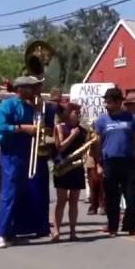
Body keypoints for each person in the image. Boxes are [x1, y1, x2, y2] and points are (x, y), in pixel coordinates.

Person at [0, 76, 52, 247]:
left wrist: (40, 122)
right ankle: (2, 234)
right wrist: (21, 128)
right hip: (11, 153)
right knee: (9, 194)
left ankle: (14, 232)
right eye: (31, 88)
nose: (34, 90)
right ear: (21, 89)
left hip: (26, 151)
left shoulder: (30, 106)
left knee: (21, 194)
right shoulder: (8, 105)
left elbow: (38, 128)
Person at [94, 88, 135, 237]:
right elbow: (97, 143)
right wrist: (98, 163)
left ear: (118, 102)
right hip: (110, 161)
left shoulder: (132, 118)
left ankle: (132, 227)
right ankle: (112, 227)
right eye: (106, 102)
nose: (106, 105)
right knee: (112, 197)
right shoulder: (102, 120)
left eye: (109, 102)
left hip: (129, 161)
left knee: (131, 197)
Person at [51, 102, 90, 242]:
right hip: (62, 166)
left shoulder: (82, 130)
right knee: (61, 200)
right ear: (68, 114)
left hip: (76, 167)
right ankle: (56, 231)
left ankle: (73, 232)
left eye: (79, 113)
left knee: (74, 201)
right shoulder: (60, 127)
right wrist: (73, 135)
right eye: (76, 113)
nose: (78, 116)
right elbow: (60, 147)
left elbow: (86, 147)